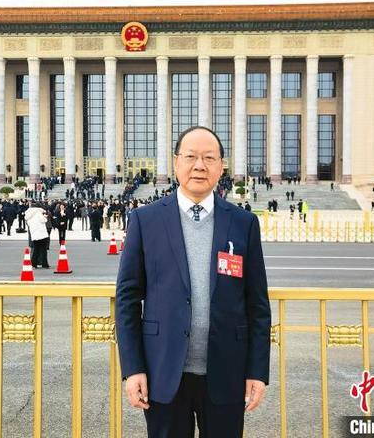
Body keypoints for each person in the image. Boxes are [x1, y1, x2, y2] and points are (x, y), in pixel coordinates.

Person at [116, 126, 271, 438]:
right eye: (191, 157)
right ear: (176, 162)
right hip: (163, 372)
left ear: (221, 166)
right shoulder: (146, 221)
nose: (200, 166)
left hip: (226, 371)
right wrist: (133, 369)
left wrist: (257, 371)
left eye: (209, 158)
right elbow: (128, 300)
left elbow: (257, 304)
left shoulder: (243, 223)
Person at [25, 203, 51, 269]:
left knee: (36, 249)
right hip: (41, 234)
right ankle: (44, 264)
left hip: (34, 234)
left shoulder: (28, 215)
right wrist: (45, 216)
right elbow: (44, 220)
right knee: (44, 250)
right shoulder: (38, 213)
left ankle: (34, 264)